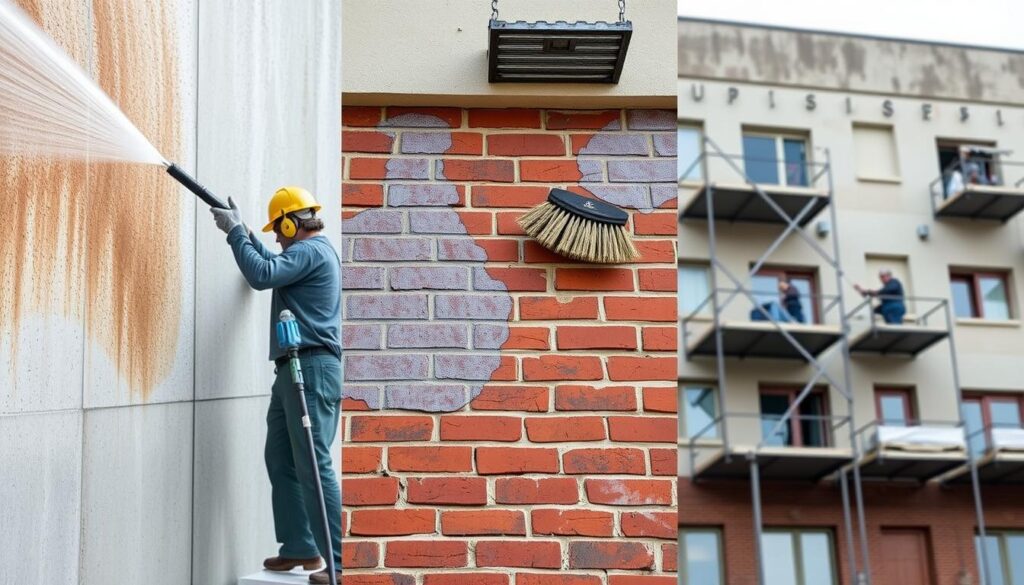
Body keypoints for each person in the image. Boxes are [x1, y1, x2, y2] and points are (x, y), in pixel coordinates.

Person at [211, 188, 342, 585]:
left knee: (314, 465)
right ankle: (300, 547)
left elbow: (262, 274)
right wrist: (246, 233)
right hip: (293, 369)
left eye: (277, 231)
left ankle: (338, 563)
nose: (277, 240)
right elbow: (271, 262)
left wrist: (235, 234)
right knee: (281, 458)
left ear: (289, 224)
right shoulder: (307, 253)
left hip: (310, 368)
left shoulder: (311, 251)